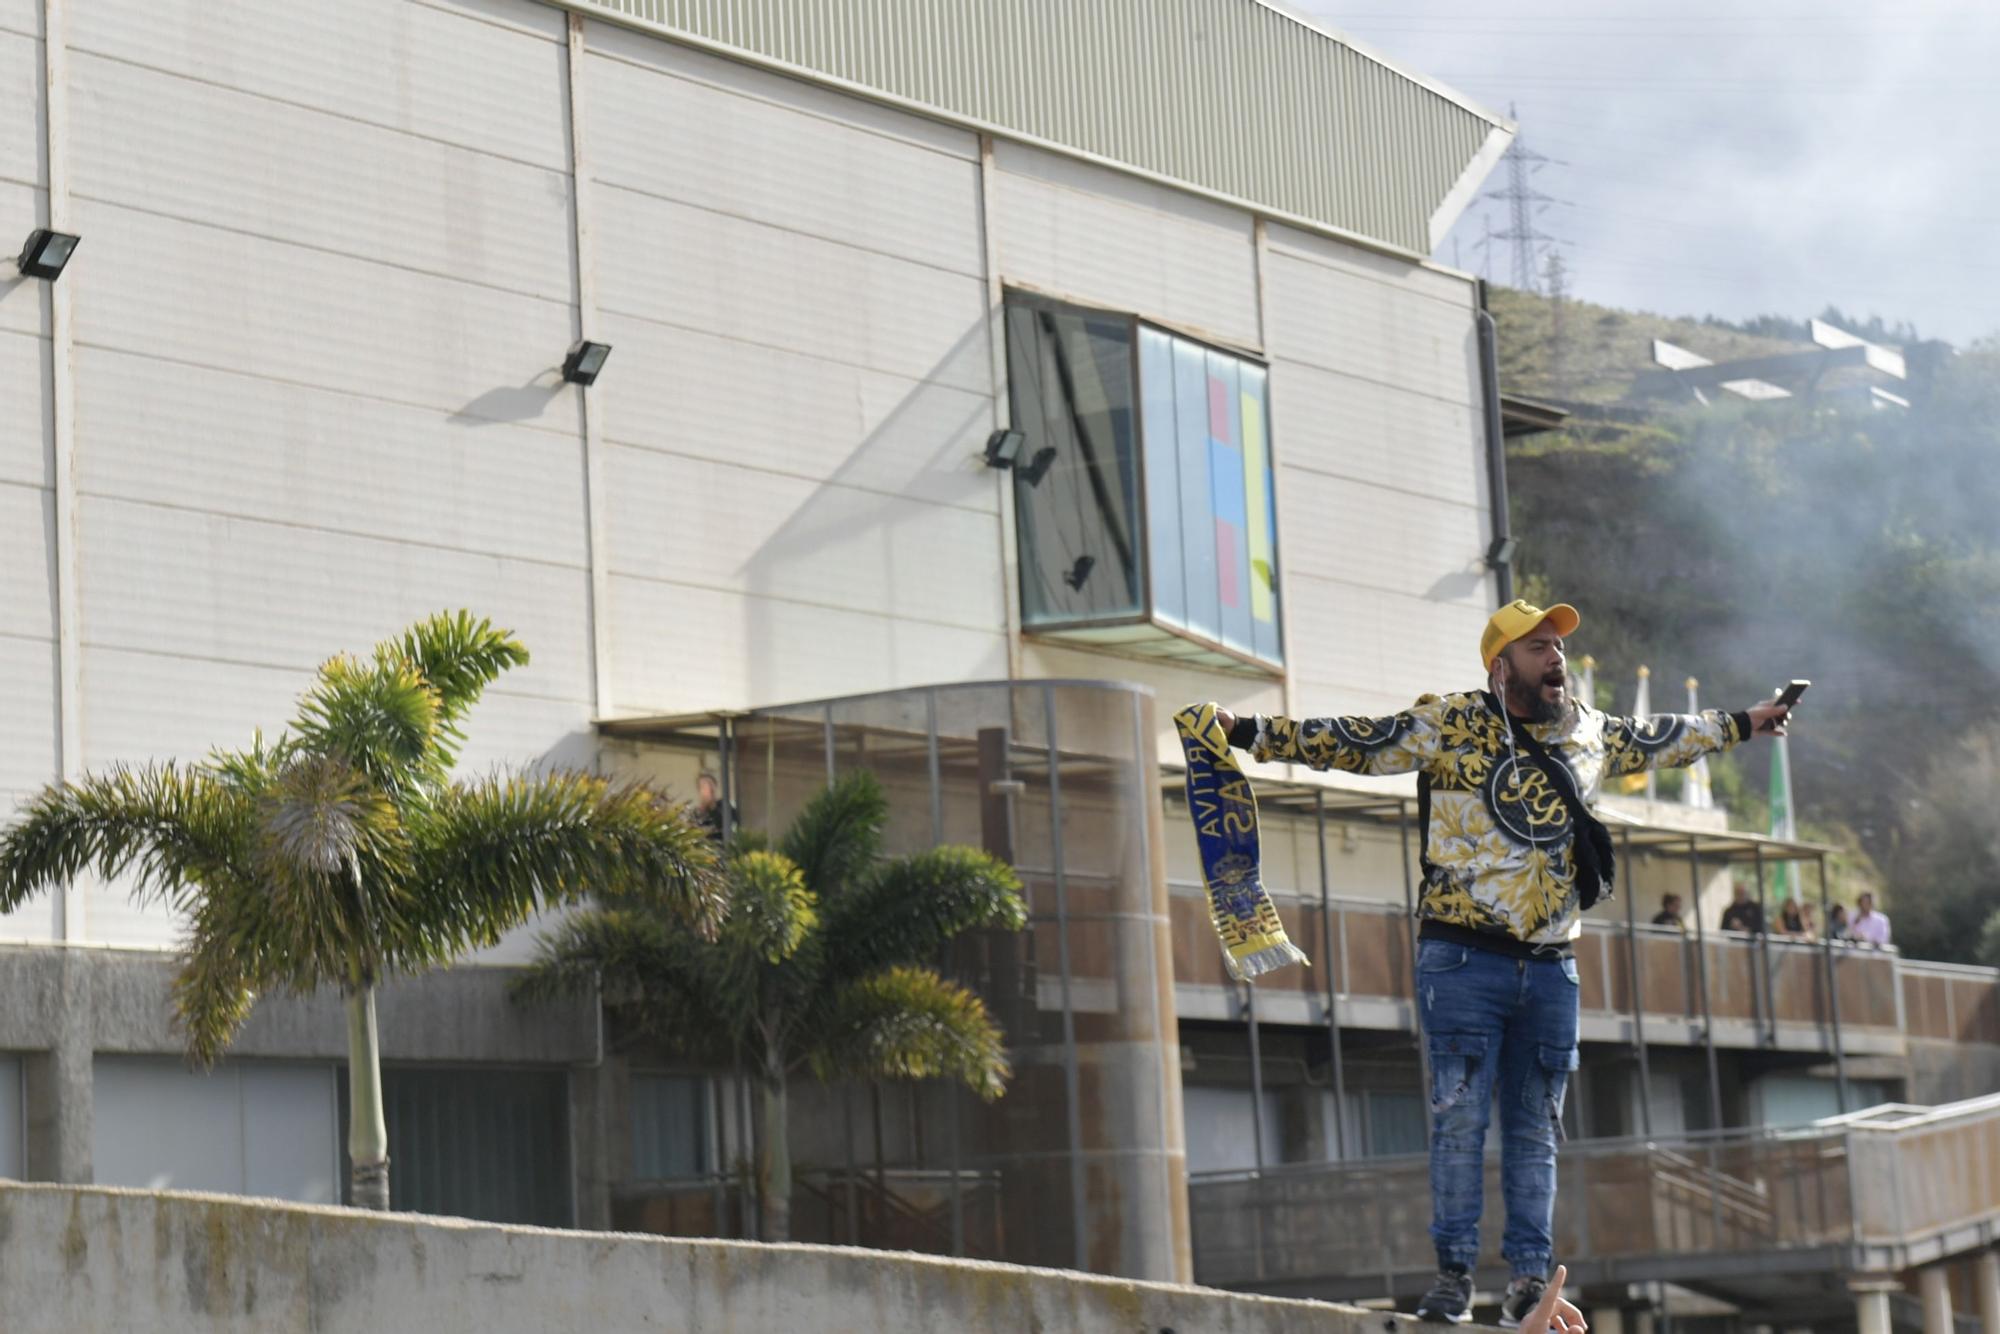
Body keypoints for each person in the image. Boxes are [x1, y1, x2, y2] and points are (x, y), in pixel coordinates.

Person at [1210, 598, 1789, 1326]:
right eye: (1538, 648)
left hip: (1552, 965)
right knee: (1457, 1120)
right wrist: (1249, 732)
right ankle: (1453, 1276)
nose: (1557, 659)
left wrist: (1746, 720)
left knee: (1536, 1126)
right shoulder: (1451, 723)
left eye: (1558, 647)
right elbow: (1355, 741)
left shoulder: (1589, 731)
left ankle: (1526, 1280)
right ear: (1500, 666)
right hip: (1461, 957)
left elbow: (1663, 737)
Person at [693, 771, 736, 844]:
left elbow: (724, 825)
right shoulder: (696, 812)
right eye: (703, 786)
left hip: (723, 847)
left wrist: (712, 805)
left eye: (710, 784)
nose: (708, 788)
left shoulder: (724, 805)